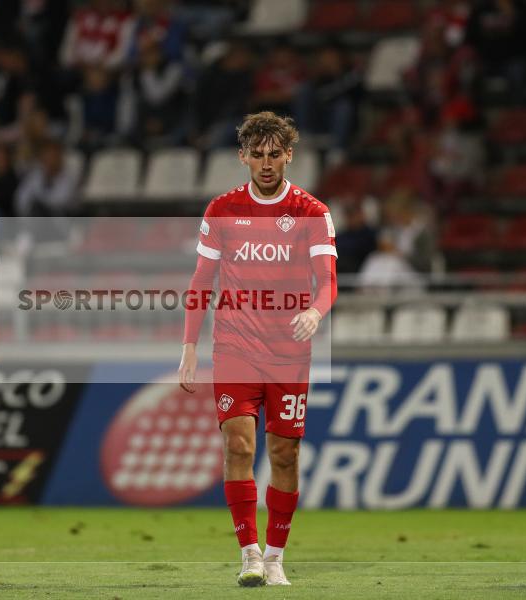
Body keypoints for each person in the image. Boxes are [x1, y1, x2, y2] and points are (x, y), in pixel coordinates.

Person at [178, 112, 337, 587]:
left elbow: (327, 281)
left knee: (285, 454)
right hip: (234, 347)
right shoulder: (221, 210)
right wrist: (189, 347)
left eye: (275, 154)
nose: (266, 164)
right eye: (258, 154)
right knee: (239, 444)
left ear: (289, 154)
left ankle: (275, 558)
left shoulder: (312, 212)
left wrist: (314, 312)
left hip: (288, 351)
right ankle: (248, 554)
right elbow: (201, 282)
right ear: (242, 156)